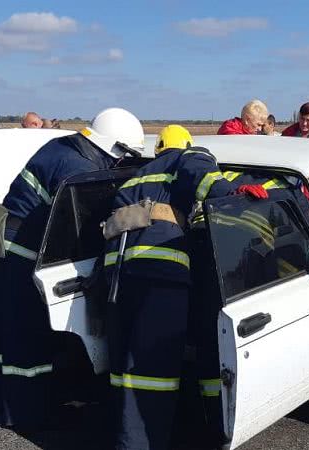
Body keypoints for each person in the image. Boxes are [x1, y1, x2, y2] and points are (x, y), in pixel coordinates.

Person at [104, 125, 267, 449]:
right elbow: (202, 176)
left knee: (124, 364)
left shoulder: (136, 175)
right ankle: (145, 443)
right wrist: (228, 195)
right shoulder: (186, 157)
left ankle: (125, 437)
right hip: (160, 269)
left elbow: (114, 222)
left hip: (118, 274)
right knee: (154, 368)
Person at [0, 107, 145, 430]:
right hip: (20, 251)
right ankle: (25, 415)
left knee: (8, 332)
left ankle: (11, 405)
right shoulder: (78, 167)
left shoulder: (66, 146)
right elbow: (91, 223)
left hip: (8, 243)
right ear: (114, 147)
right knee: (24, 337)